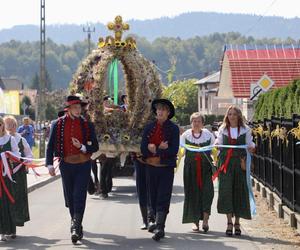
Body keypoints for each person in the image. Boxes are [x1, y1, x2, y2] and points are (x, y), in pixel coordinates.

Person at [46, 95, 99, 244]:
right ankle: (76, 222)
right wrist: (49, 164)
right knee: (69, 197)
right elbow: (50, 145)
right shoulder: (57, 124)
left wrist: (81, 147)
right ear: (68, 109)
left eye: (79, 107)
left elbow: (95, 146)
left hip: (83, 164)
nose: (78, 110)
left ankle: (75, 226)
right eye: (75, 107)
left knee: (79, 195)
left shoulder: (88, 125)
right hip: (66, 165)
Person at [140, 99, 179, 241]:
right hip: (151, 167)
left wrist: (158, 150)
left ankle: (160, 226)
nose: (160, 111)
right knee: (153, 195)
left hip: (166, 168)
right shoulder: (149, 127)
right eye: (158, 109)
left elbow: (174, 149)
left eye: (163, 109)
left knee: (164, 196)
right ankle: (154, 221)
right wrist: (156, 148)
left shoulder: (173, 129)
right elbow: (143, 148)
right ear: (156, 111)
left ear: (168, 113)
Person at [215, 105, 255, 236]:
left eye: (234, 114)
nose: (232, 116)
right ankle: (229, 222)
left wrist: (251, 147)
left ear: (238, 116)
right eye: (230, 114)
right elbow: (219, 142)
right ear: (227, 116)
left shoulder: (245, 129)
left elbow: (250, 143)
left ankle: (237, 222)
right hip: (225, 164)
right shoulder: (223, 129)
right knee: (226, 191)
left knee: (239, 190)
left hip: (239, 163)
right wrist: (216, 145)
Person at [180, 113, 215, 232]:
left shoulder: (208, 135)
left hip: (206, 169)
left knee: (207, 193)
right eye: (194, 121)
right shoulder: (186, 135)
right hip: (191, 170)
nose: (196, 123)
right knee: (193, 194)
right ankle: (195, 222)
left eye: (198, 121)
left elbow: (214, 150)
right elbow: (181, 152)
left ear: (202, 123)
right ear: (191, 123)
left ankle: (205, 220)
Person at [4, 116, 33, 238]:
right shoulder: (3, 140)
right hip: (5, 174)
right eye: (8, 125)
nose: (11, 127)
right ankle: (6, 227)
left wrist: (25, 163)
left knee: (16, 200)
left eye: (13, 125)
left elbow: (29, 155)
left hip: (18, 174)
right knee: (6, 200)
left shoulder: (20, 140)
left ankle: (14, 226)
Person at [0, 116, 20, 241]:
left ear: (2, 125)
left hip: (6, 175)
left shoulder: (10, 139)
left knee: (7, 202)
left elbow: (17, 155)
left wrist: (7, 155)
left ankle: (9, 229)